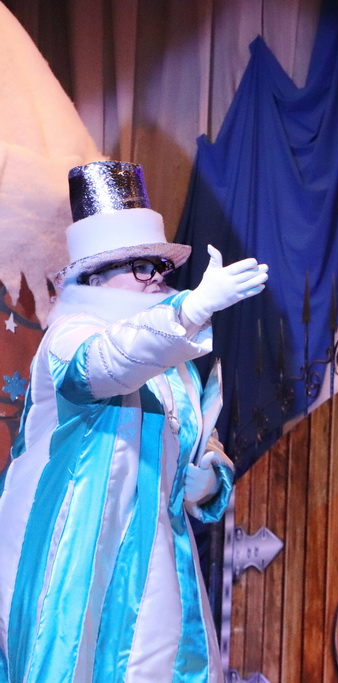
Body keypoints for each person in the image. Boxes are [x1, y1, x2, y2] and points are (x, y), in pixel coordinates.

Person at [0, 160, 268, 682]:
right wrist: (188, 312)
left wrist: (209, 476)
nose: (157, 278)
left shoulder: (174, 361)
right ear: (97, 277)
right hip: (81, 563)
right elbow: (106, 364)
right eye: (142, 267)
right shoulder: (71, 334)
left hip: (159, 561)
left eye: (159, 267)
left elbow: (203, 436)